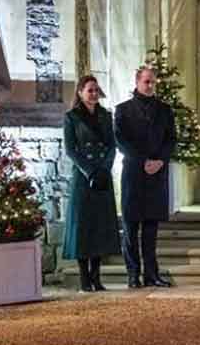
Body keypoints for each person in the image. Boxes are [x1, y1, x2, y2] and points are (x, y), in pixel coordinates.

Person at [114, 66, 176, 288]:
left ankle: (152, 274)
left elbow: (171, 140)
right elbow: (121, 141)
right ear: (137, 81)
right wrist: (143, 161)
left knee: (151, 228)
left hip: (157, 174)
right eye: (146, 82)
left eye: (152, 82)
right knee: (131, 227)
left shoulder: (165, 110)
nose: (150, 85)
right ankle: (133, 274)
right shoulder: (122, 110)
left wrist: (160, 160)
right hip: (133, 173)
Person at [62, 75, 122, 292]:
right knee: (83, 226)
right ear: (80, 92)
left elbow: (112, 145)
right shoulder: (71, 117)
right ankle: (84, 277)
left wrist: (104, 169)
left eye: (96, 90)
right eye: (90, 90)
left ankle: (97, 276)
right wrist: (90, 171)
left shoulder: (106, 116)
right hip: (83, 177)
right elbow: (71, 149)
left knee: (100, 226)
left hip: (102, 176)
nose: (94, 94)